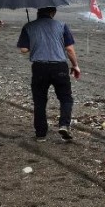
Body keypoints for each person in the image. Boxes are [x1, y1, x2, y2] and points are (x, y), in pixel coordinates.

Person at [16, 7, 80, 142]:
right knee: (66, 98)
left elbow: (23, 49)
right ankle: (64, 124)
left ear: (38, 13)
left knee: (39, 101)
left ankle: (40, 134)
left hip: (39, 67)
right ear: (53, 13)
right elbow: (69, 49)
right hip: (59, 66)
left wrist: (33, 40)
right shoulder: (62, 25)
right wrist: (75, 65)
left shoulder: (29, 26)